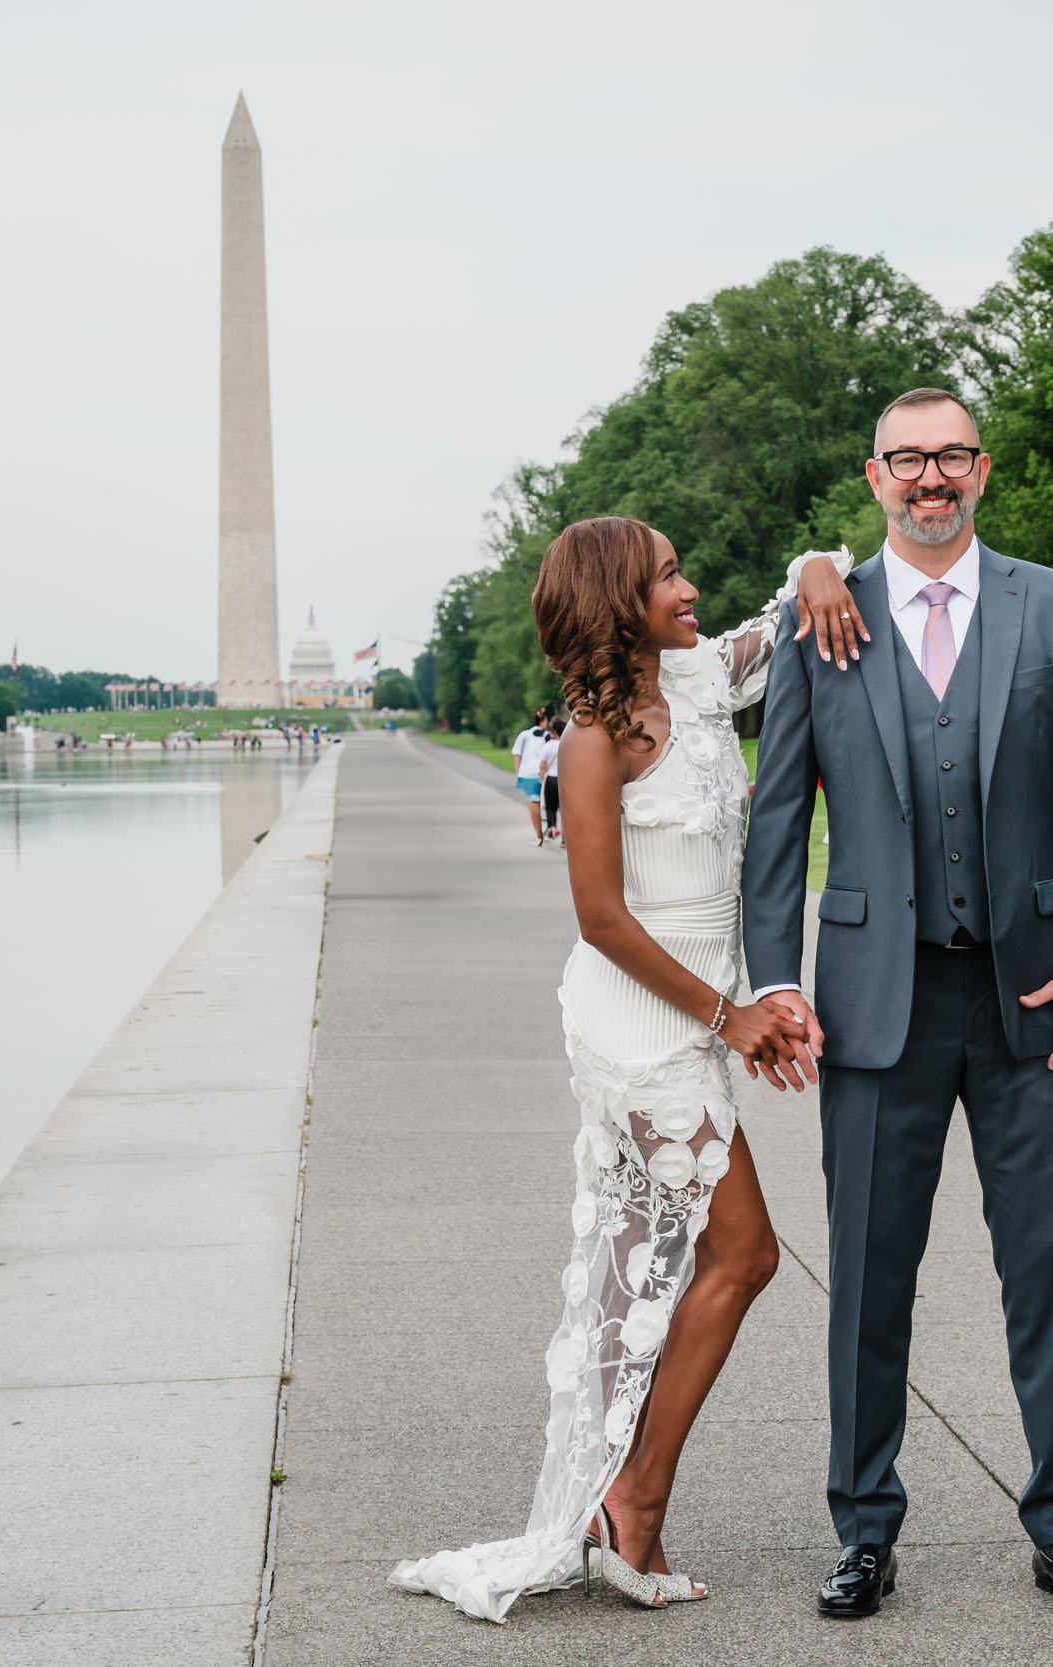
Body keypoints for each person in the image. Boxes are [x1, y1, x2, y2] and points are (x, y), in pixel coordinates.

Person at [389, 523, 857, 1622]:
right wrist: (728, 1014)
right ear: (615, 598)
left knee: (669, 1263)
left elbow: (783, 617)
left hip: (695, 1012)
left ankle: (622, 1503)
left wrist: (817, 568)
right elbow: (598, 914)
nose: (689, 588)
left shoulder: (695, 683)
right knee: (739, 1254)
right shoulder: (595, 735)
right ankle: (628, 1506)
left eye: (685, 567)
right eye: (664, 576)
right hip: (641, 1024)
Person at [744, 387, 1053, 1621]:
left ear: (984, 469)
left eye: (951, 457)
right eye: (907, 459)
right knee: (868, 1273)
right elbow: (777, 818)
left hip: (1033, 996)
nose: (931, 477)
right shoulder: (822, 612)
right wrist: (773, 976)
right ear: (873, 476)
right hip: (873, 1004)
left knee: (1049, 1266)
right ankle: (864, 1526)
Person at [511, 711, 552, 844]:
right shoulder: (548, 736)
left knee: (534, 801)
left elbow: (517, 753)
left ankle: (539, 833)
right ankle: (547, 829)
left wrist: (517, 772)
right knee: (545, 802)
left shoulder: (524, 734)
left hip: (528, 774)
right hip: (543, 773)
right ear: (543, 721)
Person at [539, 711, 567, 845]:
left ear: (553, 731)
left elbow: (542, 766)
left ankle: (553, 828)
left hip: (550, 780)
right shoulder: (566, 745)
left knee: (550, 808)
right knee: (565, 810)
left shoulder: (548, 746)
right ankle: (565, 840)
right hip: (564, 780)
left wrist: (542, 779)